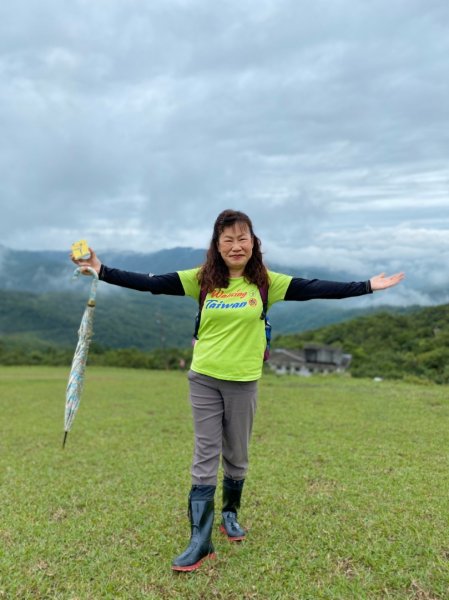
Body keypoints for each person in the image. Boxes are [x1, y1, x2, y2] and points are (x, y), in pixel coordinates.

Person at [71, 209, 405, 572]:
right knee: (205, 453)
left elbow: (316, 288)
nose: (236, 245)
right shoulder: (201, 279)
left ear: (253, 243)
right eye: (227, 239)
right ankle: (200, 539)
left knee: (237, 454)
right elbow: (151, 281)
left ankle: (230, 514)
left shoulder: (266, 283)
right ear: (217, 245)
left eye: (242, 238)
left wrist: (367, 286)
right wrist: (102, 270)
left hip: (244, 383)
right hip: (203, 378)